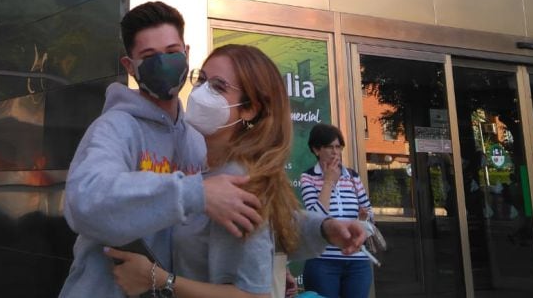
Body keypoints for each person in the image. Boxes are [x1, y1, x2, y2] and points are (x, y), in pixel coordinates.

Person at [106, 45, 367, 298]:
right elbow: (274, 223)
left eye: (218, 87)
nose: (200, 93)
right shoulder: (211, 168)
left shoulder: (236, 183)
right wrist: (325, 227)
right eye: (202, 79)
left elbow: (253, 295)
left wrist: (158, 279)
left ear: (250, 108)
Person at [58, 2, 265, 298]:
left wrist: (321, 229)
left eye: (171, 52)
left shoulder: (198, 136)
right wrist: (195, 193)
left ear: (187, 53)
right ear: (130, 66)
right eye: (150, 56)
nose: (164, 63)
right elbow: (85, 201)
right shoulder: (114, 128)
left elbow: (237, 205)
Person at [299, 123, 374, 298]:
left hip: (357, 261)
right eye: (329, 147)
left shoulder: (353, 177)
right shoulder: (308, 177)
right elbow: (315, 220)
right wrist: (328, 182)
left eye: (338, 147)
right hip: (323, 261)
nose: (335, 152)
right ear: (316, 150)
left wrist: (364, 219)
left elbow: (370, 215)